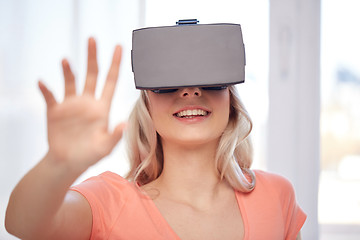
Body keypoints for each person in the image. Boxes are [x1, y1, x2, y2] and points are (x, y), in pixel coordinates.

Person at [5, 34, 306, 239]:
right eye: (169, 83)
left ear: (231, 100)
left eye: (210, 80)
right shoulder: (109, 201)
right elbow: (24, 225)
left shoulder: (276, 195)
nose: (190, 91)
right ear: (147, 102)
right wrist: (59, 163)